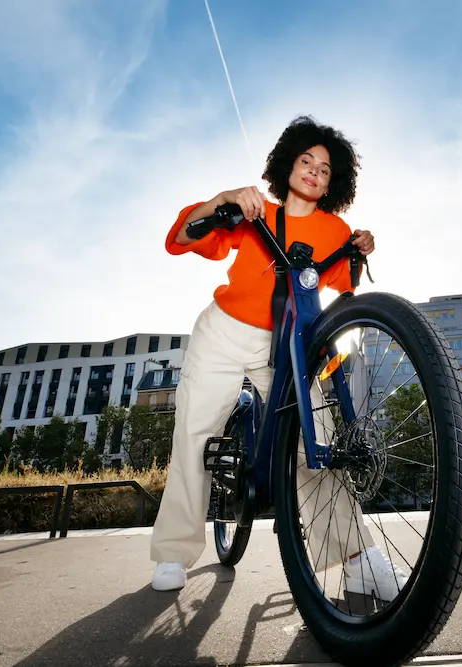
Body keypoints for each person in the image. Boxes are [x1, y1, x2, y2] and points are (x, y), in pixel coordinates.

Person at [151, 116, 407, 599]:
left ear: (335, 183)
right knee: (193, 431)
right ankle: (173, 552)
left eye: (325, 169)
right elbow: (181, 238)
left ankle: (356, 561)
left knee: (318, 440)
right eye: (306, 161)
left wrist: (360, 249)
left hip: (288, 341)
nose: (313, 171)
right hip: (224, 332)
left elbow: (342, 289)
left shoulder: (335, 227)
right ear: (287, 164)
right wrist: (222, 201)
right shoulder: (255, 211)